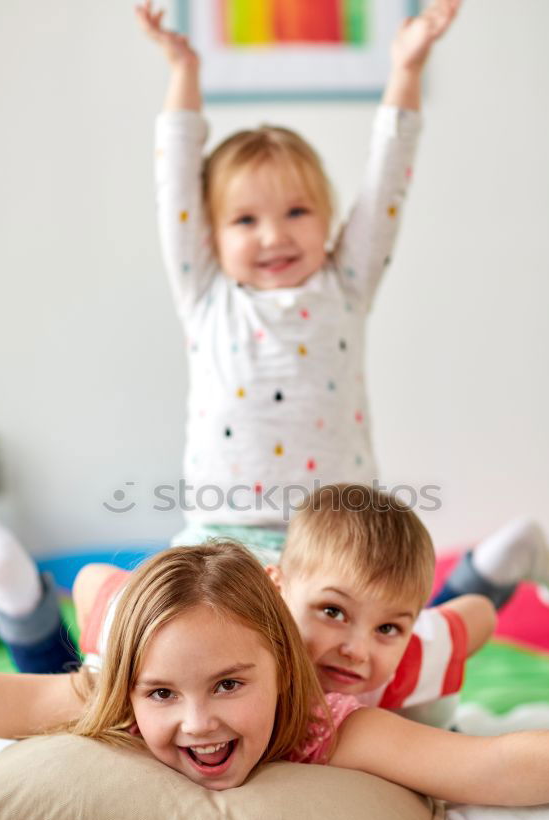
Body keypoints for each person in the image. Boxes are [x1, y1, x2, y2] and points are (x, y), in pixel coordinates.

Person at [136, 0, 461, 552]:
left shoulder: (346, 284)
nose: (273, 236)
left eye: (296, 212)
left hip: (337, 533)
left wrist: (406, 71)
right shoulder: (207, 294)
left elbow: (387, 183)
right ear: (210, 236)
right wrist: (184, 74)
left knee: (359, 627)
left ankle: (491, 573)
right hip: (220, 535)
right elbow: (175, 184)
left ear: (328, 217)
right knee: (168, 624)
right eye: (245, 220)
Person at [0, 539, 549, 806]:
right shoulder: (114, 692)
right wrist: (145, 679)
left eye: (229, 684)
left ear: (285, 670)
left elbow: (487, 766)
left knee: (447, 634)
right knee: (94, 590)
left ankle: (500, 565)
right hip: (119, 604)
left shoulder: (320, 721)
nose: (198, 724)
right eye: (163, 694)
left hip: (414, 633)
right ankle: (23, 583)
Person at [0, 479, 549, 733]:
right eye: (332, 613)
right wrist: (108, 615)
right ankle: (14, 586)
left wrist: (445, 613)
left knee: (434, 634)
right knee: (77, 681)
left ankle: (502, 559)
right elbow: (96, 585)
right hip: (171, 591)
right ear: (278, 589)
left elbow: (473, 622)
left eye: (386, 627)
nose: (357, 647)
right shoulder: (198, 647)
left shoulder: (407, 663)